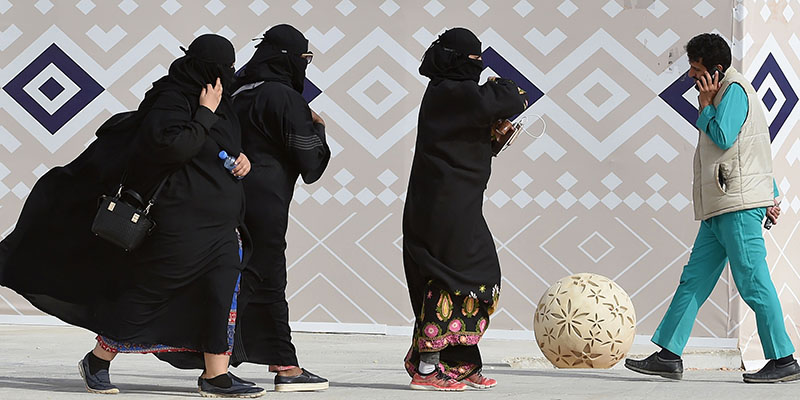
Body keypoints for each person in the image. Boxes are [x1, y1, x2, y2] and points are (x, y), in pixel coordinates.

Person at [0, 34, 265, 397]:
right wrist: (203, 113)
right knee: (150, 292)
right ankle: (99, 358)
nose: (226, 75)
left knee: (221, 293)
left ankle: (214, 376)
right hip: (180, 222)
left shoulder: (222, 101)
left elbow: (225, 145)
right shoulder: (171, 99)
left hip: (222, 225)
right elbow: (169, 147)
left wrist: (242, 158)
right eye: (221, 68)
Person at [625, 33, 799, 384]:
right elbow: (752, 152)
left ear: (714, 71)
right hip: (721, 207)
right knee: (693, 281)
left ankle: (784, 360)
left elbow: (724, 137)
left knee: (753, 282)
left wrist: (705, 107)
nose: (690, 76)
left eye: (695, 69)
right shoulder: (723, 92)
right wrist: (771, 193)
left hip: (736, 207)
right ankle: (669, 355)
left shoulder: (733, 91)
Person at [402, 27, 528, 391]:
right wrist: (495, 82)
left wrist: (491, 139)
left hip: (455, 203)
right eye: (475, 60)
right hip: (442, 205)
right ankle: (427, 369)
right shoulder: (451, 91)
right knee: (449, 277)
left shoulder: (454, 94)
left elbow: (464, 142)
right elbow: (513, 96)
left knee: (473, 276)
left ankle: (459, 363)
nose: (478, 67)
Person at [227, 24, 331, 392]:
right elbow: (311, 165)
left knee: (234, 278)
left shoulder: (238, 92)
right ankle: (286, 366)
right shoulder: (284, 98)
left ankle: (233, 361)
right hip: (266, 204)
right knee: (269, 278)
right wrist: (318, 128)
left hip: (228, 200)